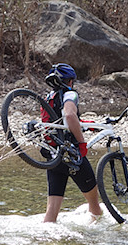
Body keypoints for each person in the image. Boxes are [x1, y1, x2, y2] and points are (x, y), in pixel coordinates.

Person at [41, 63, 105, 223]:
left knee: (51, 214)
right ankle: (97, 239)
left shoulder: (50, 97)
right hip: (71, 155)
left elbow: (61, 120)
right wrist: (82, 143)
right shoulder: (70, 94)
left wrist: (84, 122)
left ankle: (48, 243)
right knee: (95, 206)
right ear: (70, 82)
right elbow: (69, 116)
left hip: (53, 156)